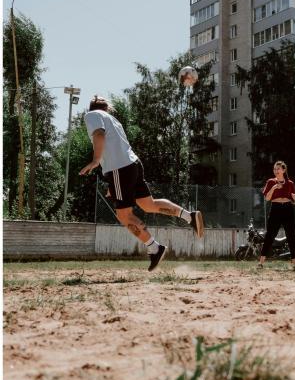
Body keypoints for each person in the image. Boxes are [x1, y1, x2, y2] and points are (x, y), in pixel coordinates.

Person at [80, 95, 204, 271]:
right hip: (132, 165)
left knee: (124, 215)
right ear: (107, 108)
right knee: (148, 204)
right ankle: (189, 216)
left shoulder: (91, 115)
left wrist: (95, 161)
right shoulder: (113, 120)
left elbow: (99, 136)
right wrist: (113, 183)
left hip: (119, 169)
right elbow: (116, 148)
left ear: (93, 107)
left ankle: (155, 248)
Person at [258, 161, 295, 271]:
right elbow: (267, 198)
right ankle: (261, 263)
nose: (276, 171)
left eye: (278, 169)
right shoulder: (271, 181)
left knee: (291, 235)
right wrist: (273, 188)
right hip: (275, 208)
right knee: (270, 235)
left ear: (283, 170)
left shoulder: (290, 183)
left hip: (288, 208)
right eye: (274, 169)